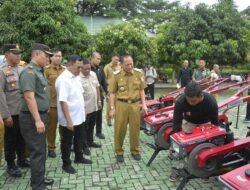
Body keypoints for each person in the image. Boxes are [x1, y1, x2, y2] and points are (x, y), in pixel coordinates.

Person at [19, 43, 54, 190]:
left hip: (39, 115)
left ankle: (39, 177)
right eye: (46, 56)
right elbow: (29, 97)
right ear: (37, 55)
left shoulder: (40, 71)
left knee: (41, 150)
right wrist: (38, 120)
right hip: (32, 118)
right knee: (37, 152)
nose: (48, 60)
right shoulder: (29, 72)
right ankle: (37, 186)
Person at [170, 82, 219, 181]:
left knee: (205, 148)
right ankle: (177, 170)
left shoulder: (210, 101)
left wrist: (215, 135)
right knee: (181, 148)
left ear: (201, 96)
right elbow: (176, 122)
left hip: (205, 124)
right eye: (188, 100)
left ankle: (205, 171)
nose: (190, 103)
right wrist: (175, 142)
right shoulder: (181, 101)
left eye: (193, 101)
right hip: (189, 123)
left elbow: (215, 120)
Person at [55, 55, 92, 175]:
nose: (80, 70)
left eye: (81, 67)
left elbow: (79, 95)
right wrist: (69, 120)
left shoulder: (76, 76)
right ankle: (66, 163)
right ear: (70, 64)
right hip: (69, 119)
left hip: (79, 116)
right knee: (67, 142)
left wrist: (83, 112)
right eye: (78, 67)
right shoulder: (63, 79)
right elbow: (63, 101)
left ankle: (79, 157)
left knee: (80, 138)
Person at [109, 55, 148, 163]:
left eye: (131, 63)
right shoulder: (116, 75)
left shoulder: (138, 73)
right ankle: (119, 151)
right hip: (121, 104)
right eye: (127, 64)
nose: (130, 66)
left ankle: (135, 151)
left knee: (135, 129)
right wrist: (112, 108)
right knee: (120, 129)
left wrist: (144, 104)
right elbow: (112, 93)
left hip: (135, 105)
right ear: (121, 64)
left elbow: (141, 90)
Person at [0, 44, 30, 178]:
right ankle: (11, 164)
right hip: (11, 112)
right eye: (15, 53)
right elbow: (0, 95)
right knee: (10, 139)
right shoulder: (2, 72)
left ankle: (22, 159)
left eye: (19, 53)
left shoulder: (22, 69)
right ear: (6, 55)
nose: (18, 56)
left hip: (23, 111)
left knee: (22, 137)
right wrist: (6, 115)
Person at [44, 48, 65, 158]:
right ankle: (51, 148)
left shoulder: (65, 70)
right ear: (51, 57)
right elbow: (44, 88)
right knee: (51, 128)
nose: (58, 58)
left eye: (60, 56)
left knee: (63, 126)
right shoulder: (46, 70)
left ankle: (64, 145)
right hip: (52, 104)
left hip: (63, 104)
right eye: (56, 56)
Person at [80, 59, 102, 155]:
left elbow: (97, 87)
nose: (88, 71)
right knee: (84, 128)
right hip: (85, 108)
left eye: (89, 68)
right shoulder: (78, 78)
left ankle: (90, 141)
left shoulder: (93, 74)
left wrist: (99, 101)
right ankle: (84, 145)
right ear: (81, 68)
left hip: (94, 106)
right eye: (85, 69)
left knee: (92, 125)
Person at [90, 52, 108, 139]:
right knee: (90, 116)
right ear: (92, 58)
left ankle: (99, 131)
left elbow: (103, 82)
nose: (99, 61)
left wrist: (107, 93)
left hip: (99, 96)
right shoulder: (87, 68)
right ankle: (89, 134)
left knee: (99, 115)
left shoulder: (100, 69)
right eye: (97, 59)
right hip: (89, 96)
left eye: (100, 59)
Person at [104, 54, 121, 126]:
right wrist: (106, 91)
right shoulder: (107, 67)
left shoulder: (120, 66)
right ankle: (108, 119)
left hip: (119, 89)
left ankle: (117, 119)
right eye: (115, 59)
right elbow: (104, 78)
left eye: (118, 59)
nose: (116, 61)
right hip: (110, 88)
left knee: (118, 104)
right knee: (109, 105)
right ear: (112, 59)